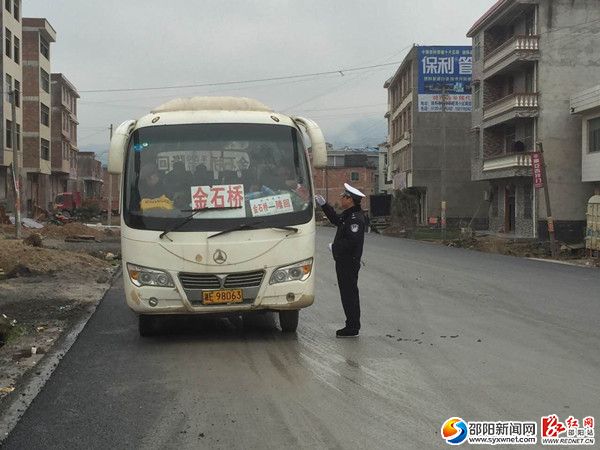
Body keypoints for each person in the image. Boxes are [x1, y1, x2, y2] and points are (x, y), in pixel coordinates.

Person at [315, 183, 366, 338]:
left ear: (350, 199)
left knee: (349, 294)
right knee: (347, 293)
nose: (341, 199)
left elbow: (352, 241)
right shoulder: (349, 214)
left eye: (343, 197)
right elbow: (337, 220)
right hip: (344, 261)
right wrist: (324, 205)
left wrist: (335, 247)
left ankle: (352, 327)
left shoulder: (355, 218)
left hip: (349, 262)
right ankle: (351, 324)